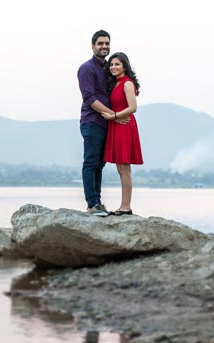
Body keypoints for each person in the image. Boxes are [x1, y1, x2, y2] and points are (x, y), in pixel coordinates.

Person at [77, 30, 129, 217]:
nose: (104, 46)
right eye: (100, 43)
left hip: (108, 123)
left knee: (100, 164)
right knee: (91, 162)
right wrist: (113, 114)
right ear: (93, 46)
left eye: (107, 43)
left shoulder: (109, 69)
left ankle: (98, 202)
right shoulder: (86, 68)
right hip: (92, 121)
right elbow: (90, 98)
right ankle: (92, 204)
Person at [101, 52, 143, 215]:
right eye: (111, 64)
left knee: (125, 167)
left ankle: (126, 207)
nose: (113, 67)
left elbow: (133, 107)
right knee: (121, 168)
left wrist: (114, 116)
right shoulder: (116, 84)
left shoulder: (127, 84)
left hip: (124, 125)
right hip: (116, 125)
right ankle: (123, 206)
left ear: (124, 66)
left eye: (117, 64)